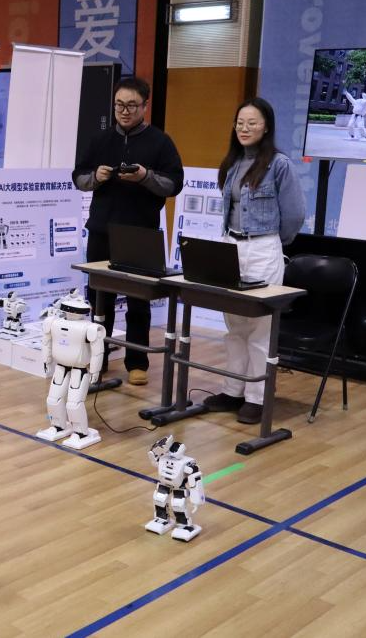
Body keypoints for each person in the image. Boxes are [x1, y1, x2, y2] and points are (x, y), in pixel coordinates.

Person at [72, 77, 185, 386]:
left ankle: (137, 362)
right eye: (119, 105)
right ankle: (99, 359)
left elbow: (174, 184)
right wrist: (96, 177)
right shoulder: (100, 140)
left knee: (139, 300)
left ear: (145, 106)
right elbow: (79, 178)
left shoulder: (160, 142)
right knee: (99, 298)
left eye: (132, 105)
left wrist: (145, 176)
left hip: (140, 234)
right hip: (102, 230)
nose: (124, 111)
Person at [202, 98, 306, 424]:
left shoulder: (279, 165)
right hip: (231, 246)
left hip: (263, 248)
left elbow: (295, 215)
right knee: (235, 326)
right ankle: (233, 391)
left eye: (252, 123)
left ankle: (257, 398)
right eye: (240, 123)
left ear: (267, 127)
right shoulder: (233, 163)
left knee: (260, 328)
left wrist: (271, 243)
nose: (245, 128)